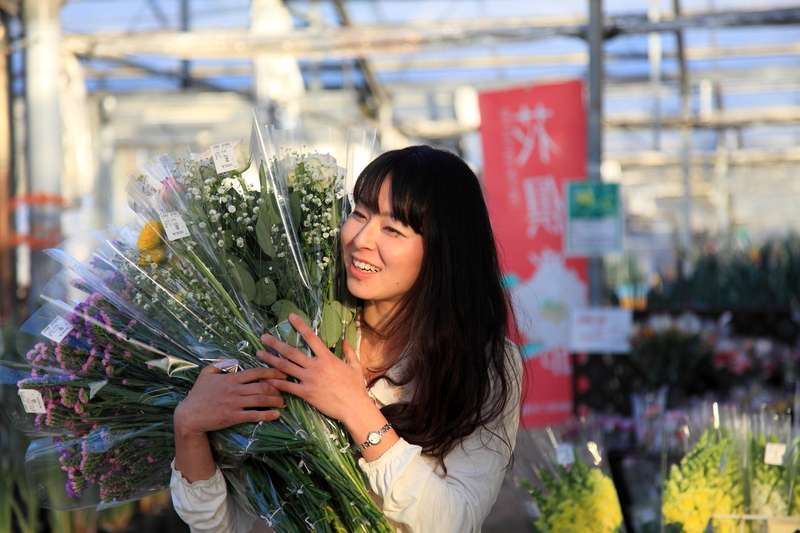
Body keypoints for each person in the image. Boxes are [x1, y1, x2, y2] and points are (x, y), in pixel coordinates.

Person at [170, 145, 523, 533]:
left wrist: (356, 409)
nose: (360, 239)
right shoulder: (301, 326)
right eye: (359, 213)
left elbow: (455, 522)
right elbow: (221, 525)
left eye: (392, 229)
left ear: (443, 252)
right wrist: (189, 427)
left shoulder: (483, 365)